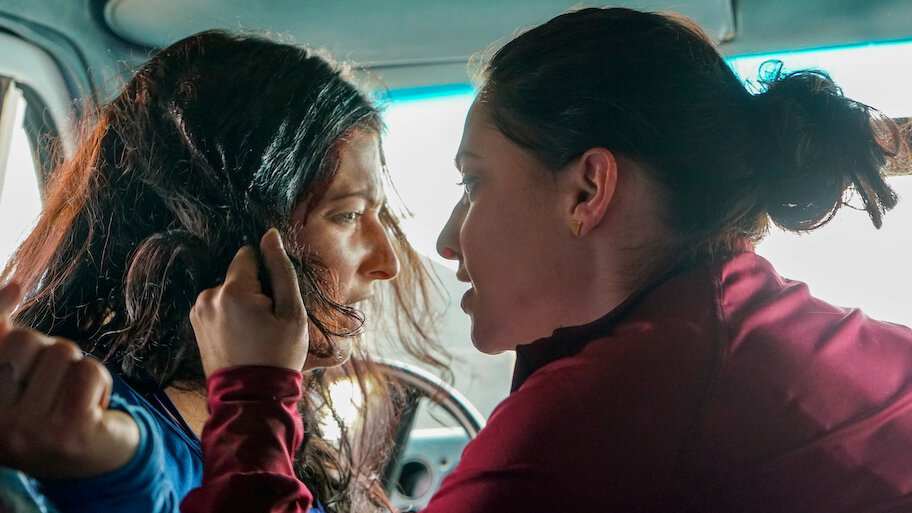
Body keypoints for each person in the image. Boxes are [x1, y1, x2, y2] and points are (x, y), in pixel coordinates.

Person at [181, 6, 912, 513]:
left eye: (473, 183)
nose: (446, 239)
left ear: (587, 190)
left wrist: (251, 395)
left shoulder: (603, 420)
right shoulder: (780, 333)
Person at [0, 29, 446, 513]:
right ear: (232, 239)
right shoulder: (90, 437)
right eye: (349, 215)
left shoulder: (263, 420)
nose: (387, 263)